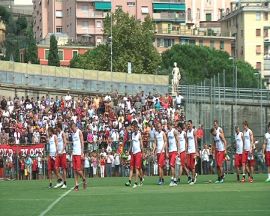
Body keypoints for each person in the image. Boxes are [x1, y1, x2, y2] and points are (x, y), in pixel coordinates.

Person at [125, 122, 144, 188]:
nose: (135, 129)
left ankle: (136, 182)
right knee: (131, 168)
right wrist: (129, 151)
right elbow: (131, 144)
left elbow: (141, 144)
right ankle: (129, 181)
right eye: (134, 128)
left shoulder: (139, 134)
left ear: (137, 129)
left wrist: (143, 153)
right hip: (133, 153)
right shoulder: (132, 134)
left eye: (136, 128)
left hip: (138, 153)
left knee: (137, 168)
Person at [71, 123, 87, 191]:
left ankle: (84, 178)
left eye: (72, 128)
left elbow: (82, 142)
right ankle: (76, 185)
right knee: (74, 170)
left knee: (78, 169)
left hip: (78, 153)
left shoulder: (79, 132)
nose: (72, 130)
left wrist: (82, 152)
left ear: (75, 127)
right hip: (74, 153)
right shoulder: (73, 134)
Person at [54, 122, 68, 189]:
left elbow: (65, 143)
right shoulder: (58, 134)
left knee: (63, 169)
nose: (56, 129)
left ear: (59, 127)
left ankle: (65, 183)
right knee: (56, 168)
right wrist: (57, 151)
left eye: (56, 127)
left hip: (63, 153)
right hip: (58, 153)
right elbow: (58, 144)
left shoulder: (63, 133)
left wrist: (62, 151)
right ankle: (61, 180)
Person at [167, 122, 179, 186]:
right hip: (170, 151)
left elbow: (178, 141)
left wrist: (178, 151)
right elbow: (168, 143)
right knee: (172, 166)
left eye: (168, 125)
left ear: (171, 125)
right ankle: (174, 180)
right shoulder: (168, 132)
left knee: (172, 165)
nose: (168, 126)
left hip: (174, 151)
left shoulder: (174, 131)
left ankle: (172, 180)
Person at [186, 120, 198, 185]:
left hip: (193, 151)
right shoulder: (187, 132)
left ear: (191, 124)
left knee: (192, 166)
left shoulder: (194, 131)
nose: (188, 125)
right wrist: (186, 150)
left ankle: (193, 179)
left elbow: (195, 141)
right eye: (187, 124)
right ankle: (195, 174)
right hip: (189, 151)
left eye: (189, 124)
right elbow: (187, 142)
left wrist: (196, 151)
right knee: (188, 165)